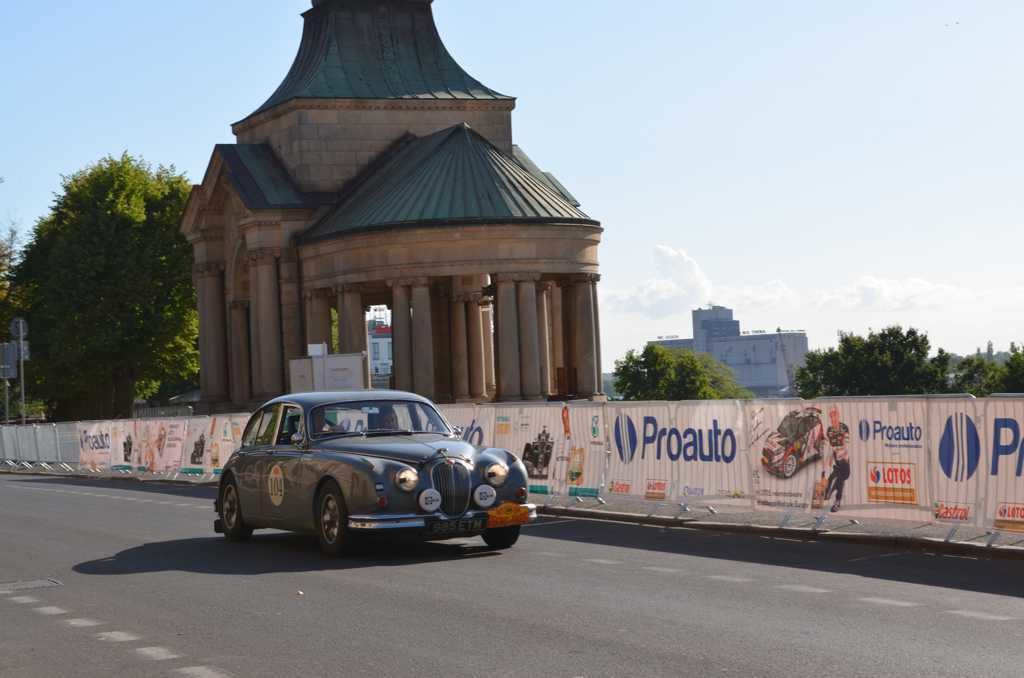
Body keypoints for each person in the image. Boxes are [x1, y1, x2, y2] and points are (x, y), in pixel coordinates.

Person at [824, 406, 851, 513]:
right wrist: (830, 457)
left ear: (838, 415)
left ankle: (830, 488)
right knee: (842, 478)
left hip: (844, 454)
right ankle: (837, 501)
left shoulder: (844, 427)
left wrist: (844, 454)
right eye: (831, 415)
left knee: (844, 475)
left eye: (835, 414)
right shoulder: (829, 430)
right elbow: (831, 446)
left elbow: (847, 441)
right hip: (837, 455)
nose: (833, 417)